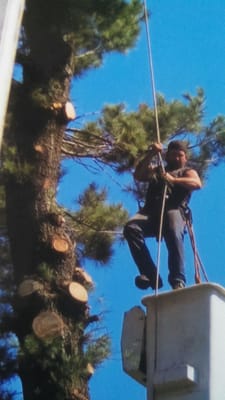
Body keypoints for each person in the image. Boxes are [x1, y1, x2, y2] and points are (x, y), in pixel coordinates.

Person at [123, 140, 202, 290]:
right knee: (131, 228)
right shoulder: (158, 171)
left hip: (173, 209)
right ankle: (150, 275)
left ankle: (177, 280)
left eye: (180, 155)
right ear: (167, 157)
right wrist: (152, 153)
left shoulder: (186, 172)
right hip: (152, 213)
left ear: (185, 158)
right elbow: (139, 175)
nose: (177, 158)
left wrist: (173, 180)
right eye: (173, 155)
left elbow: (196, 183)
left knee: (173, 232)